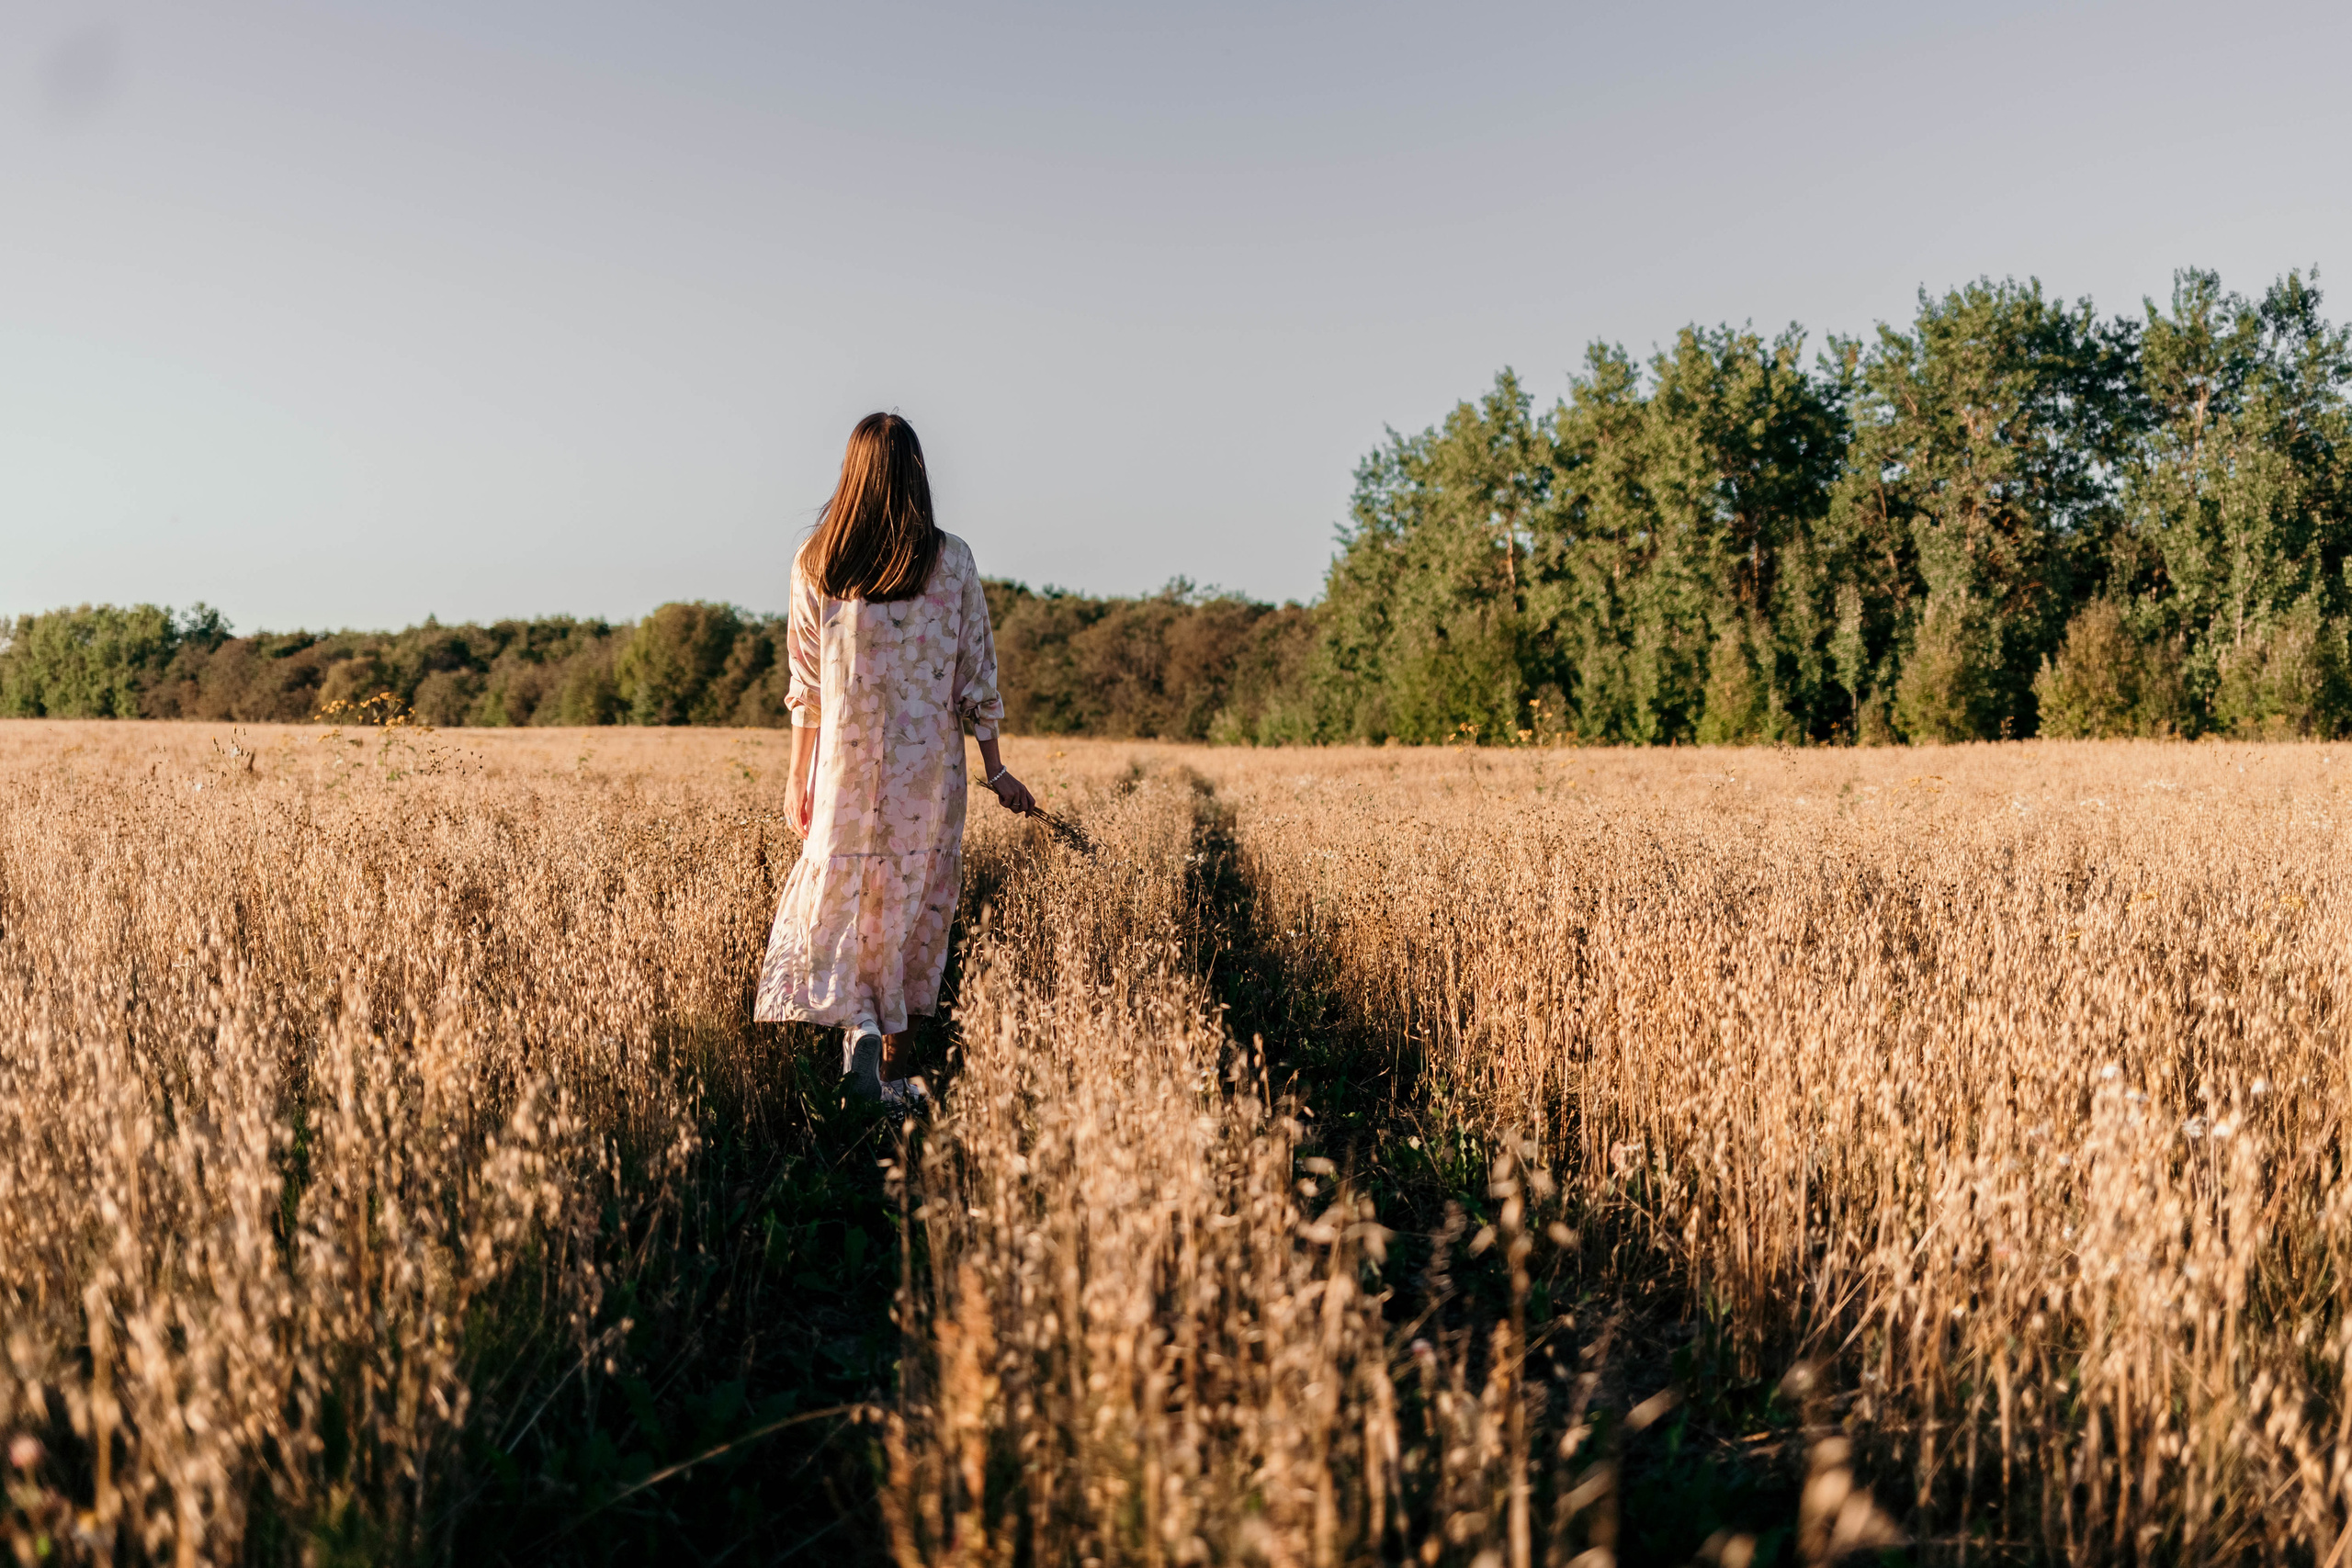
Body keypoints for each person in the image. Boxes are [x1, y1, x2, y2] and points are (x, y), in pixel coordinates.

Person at [752, 412, 1035, 1105]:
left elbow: (806, 688)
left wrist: (798, 779)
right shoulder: (953, 559)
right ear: (916, 474)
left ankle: (859, 1031)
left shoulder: (816, 560)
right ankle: (893, 1066)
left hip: (843, 774)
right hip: (927, 778)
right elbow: (979, 679)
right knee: (911, 906)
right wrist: (997, 769)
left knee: (847, 903)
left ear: (851, 473)